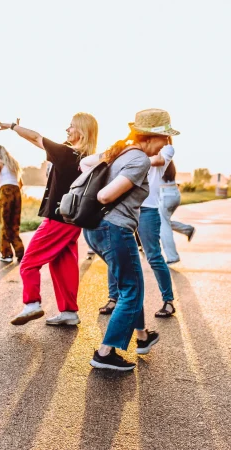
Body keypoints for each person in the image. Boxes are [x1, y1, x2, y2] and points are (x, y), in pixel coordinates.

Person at [81, 108, 178, 371]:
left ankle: (143, 337)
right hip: (116, 229)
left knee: (128, 286)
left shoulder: (119, 151)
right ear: (151, 137)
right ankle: (105, 352)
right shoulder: (140, 160)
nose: (165, 145)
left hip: (95, 230)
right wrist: (108, 194)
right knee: (132, 291)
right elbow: (104, 196)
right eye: (165, 139)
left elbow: (84, 164)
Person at [0, 113, 98, 326]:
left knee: (29, 263)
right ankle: (68, 312)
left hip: (57, 219)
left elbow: (36, 137)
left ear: (82, 131)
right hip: (73, 220)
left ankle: (32, 304)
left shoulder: (67, 153)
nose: (67, 130)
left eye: (71, 126)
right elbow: (37, 140)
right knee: (63, 265)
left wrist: (12, 126)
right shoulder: (85, 158)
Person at [100, 137, 177, 318]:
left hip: (148, 209)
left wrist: (132, 158)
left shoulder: (166, 148)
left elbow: (157, 160)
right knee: (115, 255)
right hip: (125, 207)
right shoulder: (133, 150)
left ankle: (168, 301)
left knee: (154, 256)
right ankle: (113, 298)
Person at [0, 145, 25, 263]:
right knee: (14, 223)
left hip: (5, 192)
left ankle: (6, 254)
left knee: (4, 223)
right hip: (16, 192)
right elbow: (20, 184)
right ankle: (20, 252)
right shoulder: (14, 165)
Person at [159, 161, 196, 264]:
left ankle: (172, 257)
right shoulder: (169, 162)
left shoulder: (158, 159)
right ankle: (187, 229)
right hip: (174, 193)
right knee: (164, 222)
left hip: (165, 195)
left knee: (163, 226)